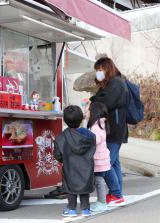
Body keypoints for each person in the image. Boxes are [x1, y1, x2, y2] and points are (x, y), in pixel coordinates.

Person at [89, 57, 128, 206]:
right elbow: (101, 97)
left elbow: (105, 101)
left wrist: (92, 103)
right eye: (97, 70)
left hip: (114, 130)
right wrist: (93, 99)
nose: (98, 73)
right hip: (114, 129)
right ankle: (117, 194)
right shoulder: (112, 83)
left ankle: (116, 194)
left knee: (106, 163)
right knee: (115, 163)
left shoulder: (116, 84)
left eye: (100, 70)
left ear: (107, 69)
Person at [54, 105, 96, 217]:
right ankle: (85, 209)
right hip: (86, 166)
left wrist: (64, 159)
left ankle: (71, 209)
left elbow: (57, 155)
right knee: (84, 188)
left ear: (65, 120)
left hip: (69, 167)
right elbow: (93, 149)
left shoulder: (61, 138)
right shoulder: (90, 136)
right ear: (81, 118)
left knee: (70, 189)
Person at [86, 102, 110, 212]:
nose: (86, 113)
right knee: (98, 181)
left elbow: (95, 140)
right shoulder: (100, 124)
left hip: (98, 160)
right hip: (100, 159)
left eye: (88, 111)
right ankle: (101, 201)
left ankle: (102, 202)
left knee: (99, 181)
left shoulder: (96, 126)